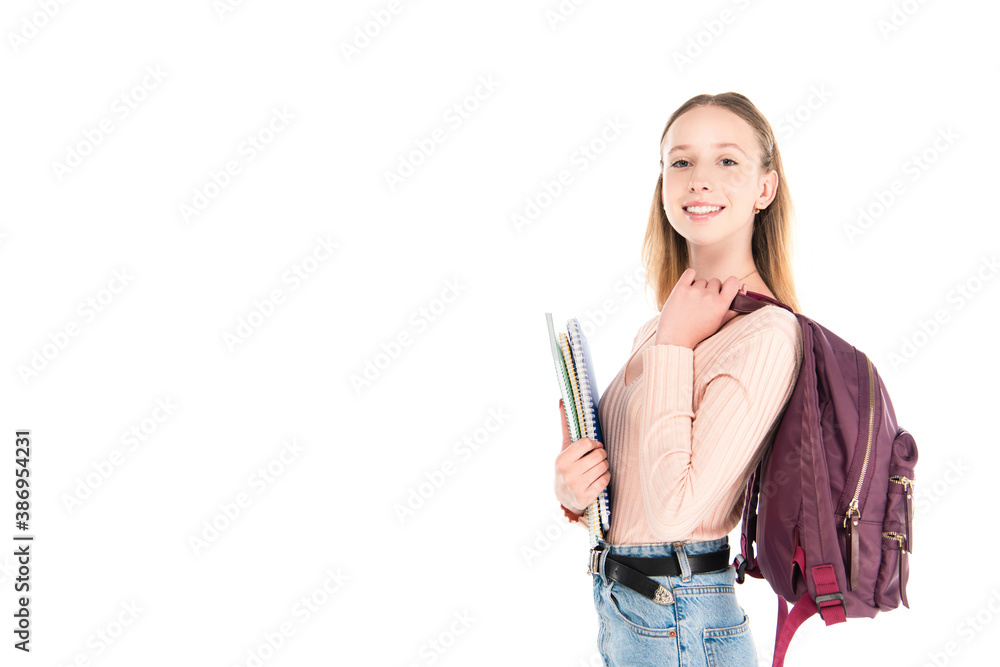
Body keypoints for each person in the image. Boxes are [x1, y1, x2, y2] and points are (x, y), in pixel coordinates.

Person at [553, 92, 805, 666]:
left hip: (680, 615)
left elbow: (675, 511)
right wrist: (574, 491)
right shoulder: (664, 325)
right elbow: (637, 487)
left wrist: (674, 344)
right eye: (681, 161)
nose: (699, 180)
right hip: (635, 609)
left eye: (727, 161)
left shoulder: (766, 335)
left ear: (764, 188)